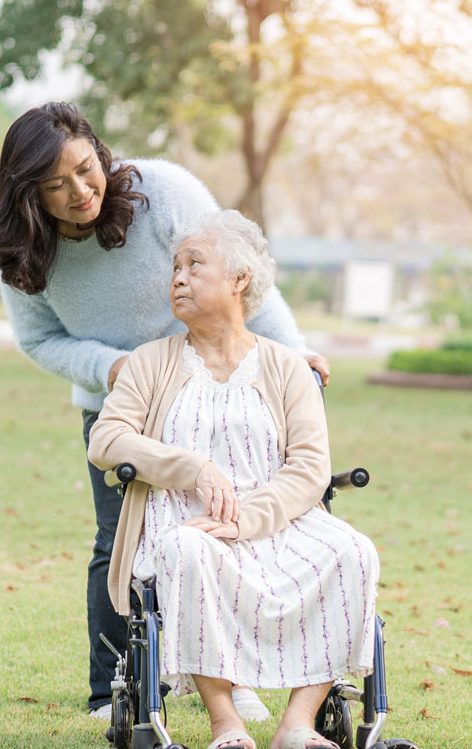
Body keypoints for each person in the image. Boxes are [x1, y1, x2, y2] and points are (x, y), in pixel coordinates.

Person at [0, 101, 330, 720]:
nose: (80, 191)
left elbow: (237, 275)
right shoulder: (23, 253)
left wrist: (291, 353)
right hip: (120, 404)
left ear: (99, 152)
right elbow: (39, 341)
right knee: (119, 539)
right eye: (56, 185)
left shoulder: (161, 193)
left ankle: (231, 677)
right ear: (28, 192)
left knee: (225, 523)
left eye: (85, 169)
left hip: (209, 387)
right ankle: (114, 688)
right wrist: (111, 368)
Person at [88, 210, 379, 749]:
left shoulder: (287, 367)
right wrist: (192, 467)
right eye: (175, 268)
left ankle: (298, 723)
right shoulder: (150, 363)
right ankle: (226, 723)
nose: (179, 278)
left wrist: (246, 518)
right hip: (185, 521)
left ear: (240, 278)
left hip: (275, 520)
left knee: (354, 550)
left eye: (194, 265)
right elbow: (106, 439)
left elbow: (309, 466)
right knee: (188, 549)